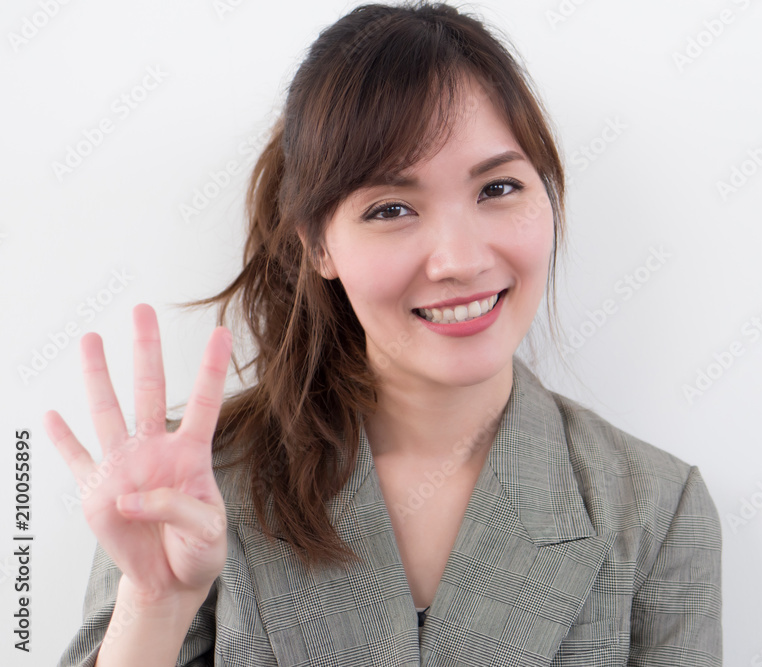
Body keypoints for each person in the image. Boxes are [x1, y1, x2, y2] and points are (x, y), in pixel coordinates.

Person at [47, 2, 723, 665]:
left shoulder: (654, 510)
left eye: (498, 189)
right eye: (392, 208)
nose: (459, 259)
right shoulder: (192, 484)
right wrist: (156, 606)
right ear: (318, 246)